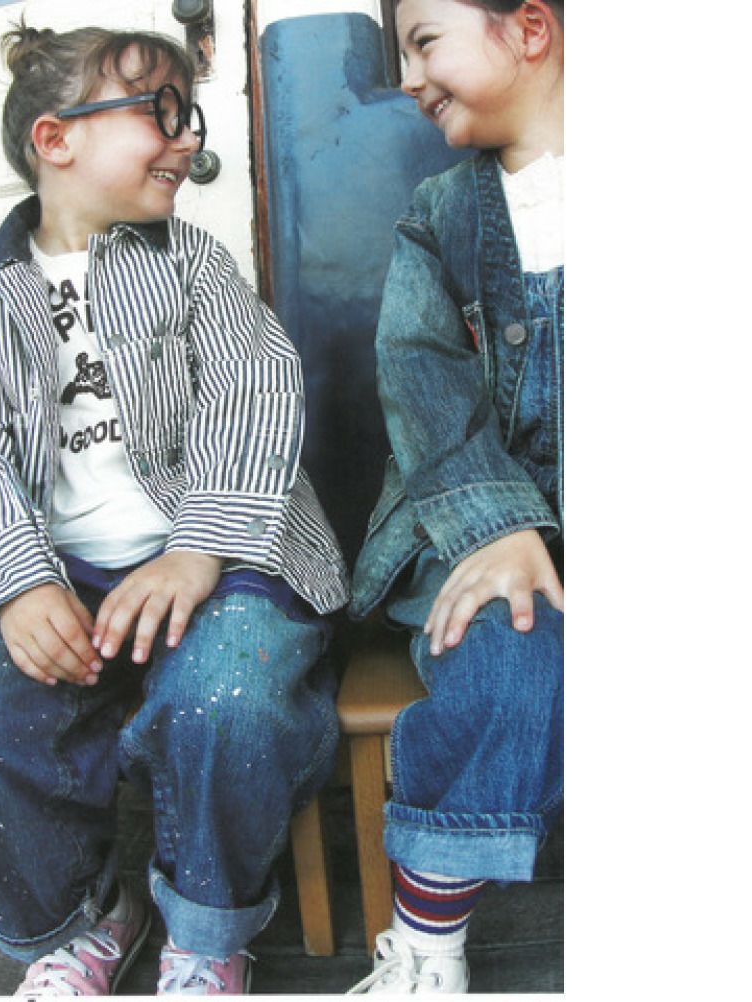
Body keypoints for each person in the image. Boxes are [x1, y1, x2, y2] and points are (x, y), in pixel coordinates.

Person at [0, 21, 349, 997]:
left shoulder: (194, 266)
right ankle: (82, 922)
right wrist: (20, 584)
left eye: (191, 114)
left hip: (225, 556)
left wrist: (200, 549)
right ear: (55, 140)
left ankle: (206, 930)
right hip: (65, 573)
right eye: (159, 113)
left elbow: (253, 394)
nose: (187, 137)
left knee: (230, 697)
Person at [347, 0, 564, 993]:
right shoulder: (440, 217)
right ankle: (427, 945)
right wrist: (502, 526)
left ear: (530, 29)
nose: (406, 77)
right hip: (464, 530)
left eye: (425, 40)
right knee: (516, 652)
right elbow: (419, 379)